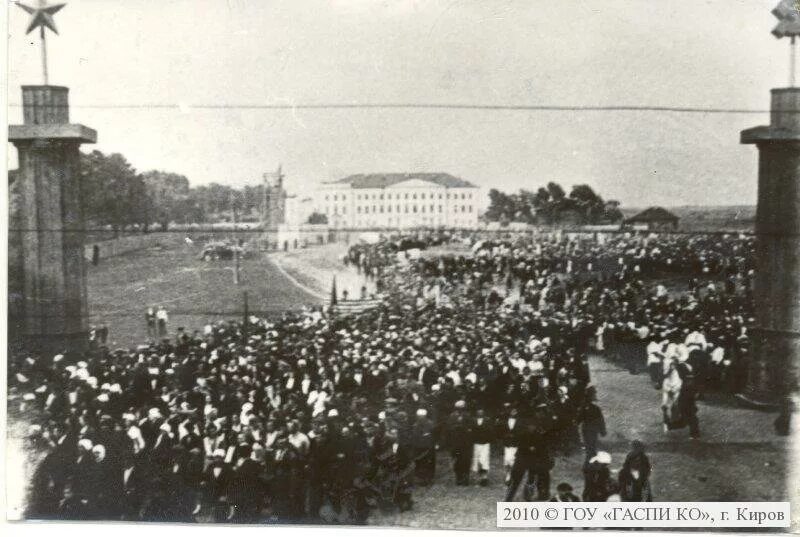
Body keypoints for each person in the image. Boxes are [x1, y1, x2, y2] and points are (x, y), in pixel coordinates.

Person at [446, 401, 473, 486]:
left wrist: (464, 428)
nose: (460, 410)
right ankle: (459, 478)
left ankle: (465, 478)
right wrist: (455, 428)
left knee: (466, 461)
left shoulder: (468, 416)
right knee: (457, 461)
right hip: (456, 442)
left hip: (465, 443)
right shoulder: (452, 416)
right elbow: (448, 428)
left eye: (462, 408)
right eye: (459, 408)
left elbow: (471, 428)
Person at [579, 386, 606, 459]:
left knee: (590, 447)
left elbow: (579, 418)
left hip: (588, 429)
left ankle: (591, 461)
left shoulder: (585, 407)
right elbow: (601, 420)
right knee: (591, 447)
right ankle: (591, 461)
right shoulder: (595, 408)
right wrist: (602, 431)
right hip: (591, 429)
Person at [471, 408, 492, 486]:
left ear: (483, 413)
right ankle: (477, 479)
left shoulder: (487, 420)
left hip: (485, 444)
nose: (480, 413)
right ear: (476, 413)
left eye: (481, 412)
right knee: (476, 460)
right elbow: (472, 432)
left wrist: (487, 440)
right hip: (476, 443)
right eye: (478, 412)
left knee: (484, 460)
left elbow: (490, 431)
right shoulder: (473, 421)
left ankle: (484, 478)